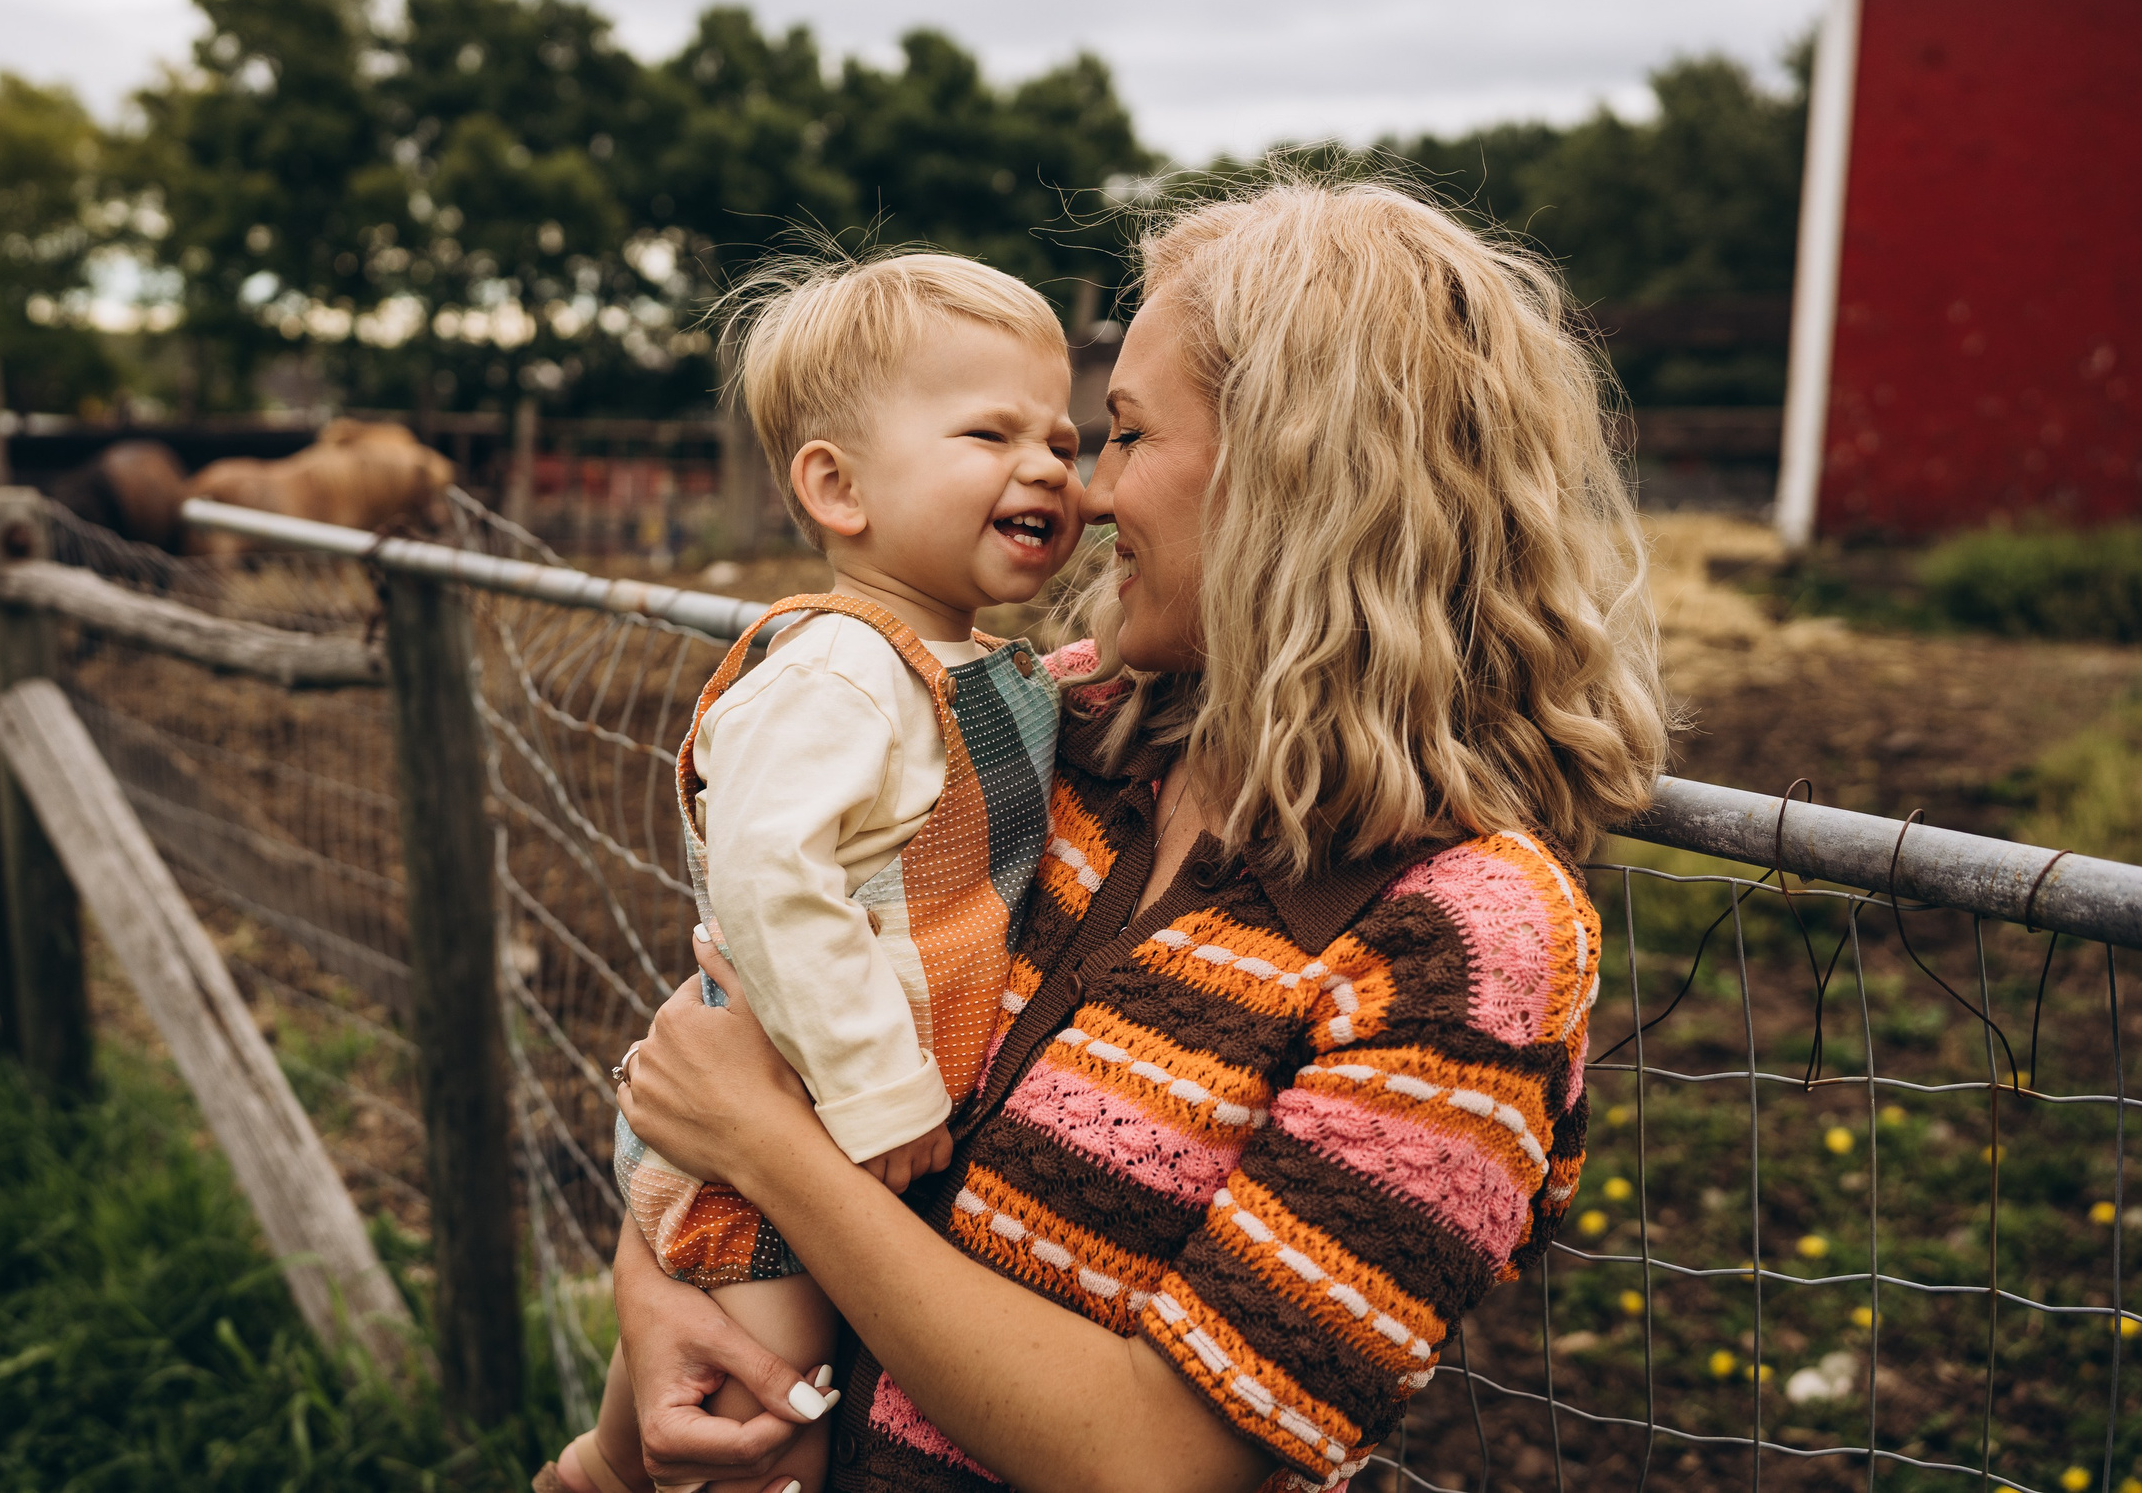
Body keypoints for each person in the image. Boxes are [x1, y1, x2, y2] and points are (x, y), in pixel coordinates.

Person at [609, 179, 1669, 1493]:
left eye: (1123, 433)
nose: (1091, 491)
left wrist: (770, 1156)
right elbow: (735, 1027)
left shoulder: (1468, 941)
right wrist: (659, 1292)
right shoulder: (1060, 727)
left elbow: (1158, 1459)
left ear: (1299, 473)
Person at [546, 253, 1087, 1493]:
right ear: (837, 486)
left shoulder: (955, 661)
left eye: (1062, 437)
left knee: (676, 1422)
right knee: (765, 1431)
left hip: (828, 1138)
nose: (1051, 467)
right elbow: (768, 881)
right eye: (989, 431)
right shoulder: (839, 672)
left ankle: (589, 1476)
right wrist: (878, 1090)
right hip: (805, 1126)